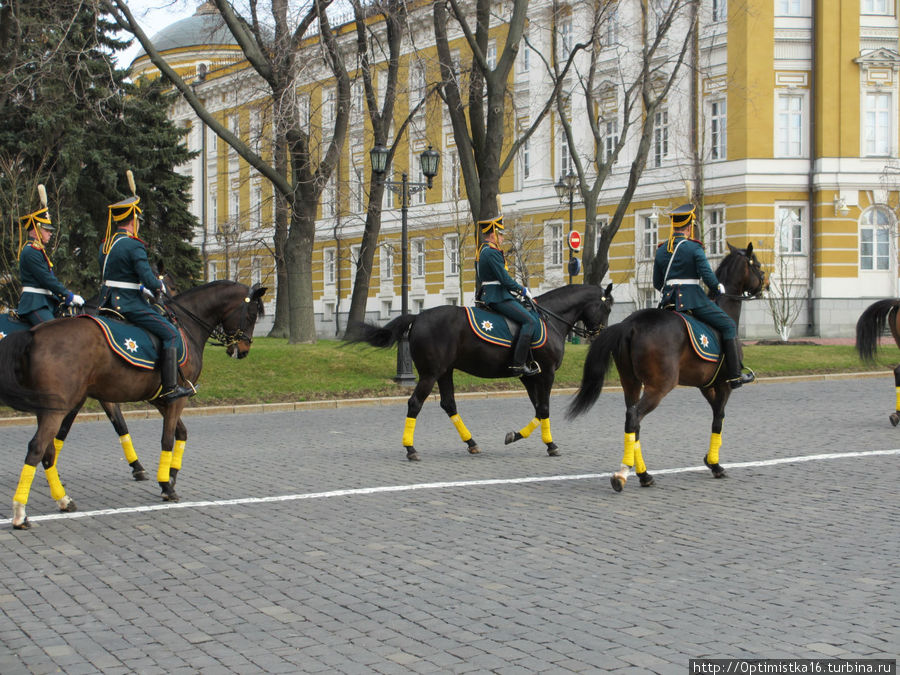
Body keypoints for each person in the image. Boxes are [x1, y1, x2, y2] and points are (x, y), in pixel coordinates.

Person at [98, 191, 194, 402]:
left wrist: (139, 288)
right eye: (138, 220)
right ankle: (170, 387)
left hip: (107, 301)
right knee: (169, 332)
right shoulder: (134, 245)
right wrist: (157, 285)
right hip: (129, 303)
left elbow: (119, 275)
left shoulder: (105, 244)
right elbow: (147, 277)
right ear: (133, 220)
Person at [653, 203, 754, 389]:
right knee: (728, 325)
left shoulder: (661, 250)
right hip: (692, 300)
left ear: (674, 226)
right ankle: (734, 375)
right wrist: (718, 288)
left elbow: (657, 283)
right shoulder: (694, 248)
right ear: (689, 226)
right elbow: (708, 276)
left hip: (668, 302)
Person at [476, 214, 542, 377]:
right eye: (500, 234)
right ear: (492, 234)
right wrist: (523, 290)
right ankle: (518, 364)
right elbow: (504, 279)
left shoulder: (484, 250)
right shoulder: (491, 252)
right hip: (497, 296)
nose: (503, 237)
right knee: (529, 321)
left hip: (493, 293)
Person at [17, 196, 84, 326]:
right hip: (34, 303)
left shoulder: (38, 250)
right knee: (55, 335)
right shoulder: (31, 251)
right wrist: (68, 296)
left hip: (44, 301)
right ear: (36, 230)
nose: (50, 233)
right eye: (46, 230)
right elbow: (46, 279)